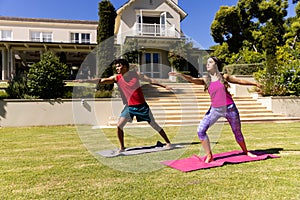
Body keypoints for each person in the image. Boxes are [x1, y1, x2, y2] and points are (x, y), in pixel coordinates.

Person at [169, 56, 260, 163]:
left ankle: (246, 151)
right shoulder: (206, 79)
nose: (207, 64)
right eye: (207, 62)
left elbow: (239, 81)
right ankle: (209, 155)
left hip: (230, 108)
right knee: (200, 130)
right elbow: (192, 79)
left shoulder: (224, 76)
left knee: (237, 132)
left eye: (210, 62)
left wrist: (255, 83)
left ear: (216, 65)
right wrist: (181, 75)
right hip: (215, 110)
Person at [75, 58, 172, 152]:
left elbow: (151, 80)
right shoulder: (117, 78)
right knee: (119, 125)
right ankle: (122, 148)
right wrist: (84, 81)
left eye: (118, 66)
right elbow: (101, 80)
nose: (117, 68)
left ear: (125, 67)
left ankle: (168, 142)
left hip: (141, 106)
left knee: (153, 124)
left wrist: (165, 86)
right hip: (129, 107)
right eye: (116, 67)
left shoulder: (136, 75)